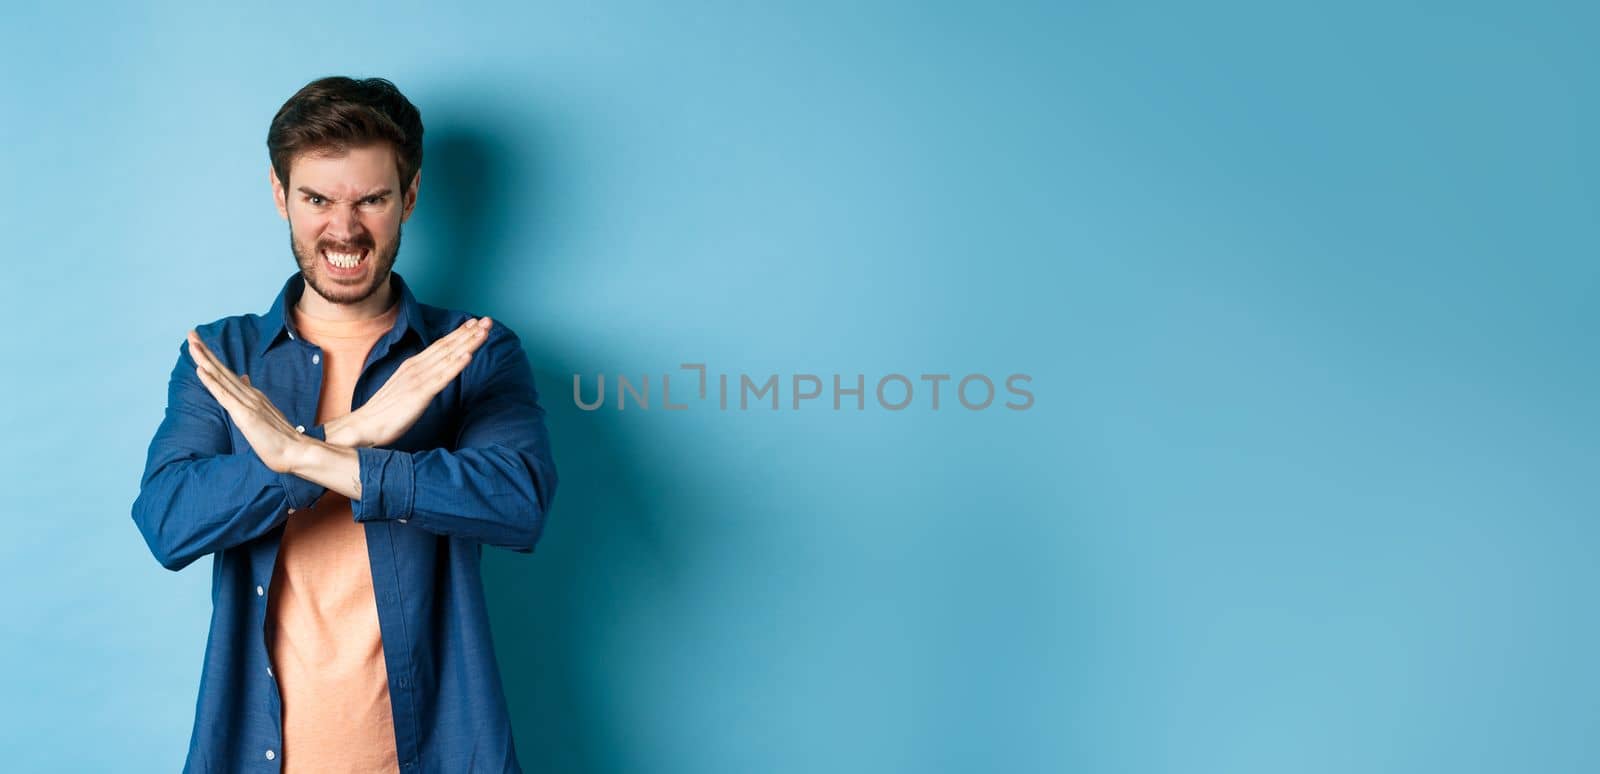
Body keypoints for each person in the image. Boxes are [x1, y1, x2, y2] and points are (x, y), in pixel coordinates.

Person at [130, 76, 558, 773]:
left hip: (437, 753)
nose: (345, 229)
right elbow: (168, 523)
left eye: (372, 199)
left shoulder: (472, 352)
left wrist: (307, 454)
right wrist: (352, 431)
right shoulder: (222, 357)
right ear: (281, 195)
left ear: (410, 197)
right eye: (318, 199)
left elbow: (519, 503)